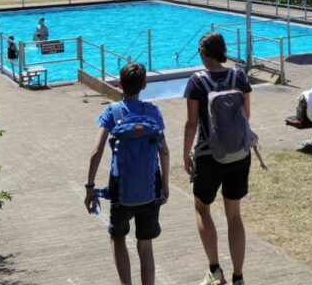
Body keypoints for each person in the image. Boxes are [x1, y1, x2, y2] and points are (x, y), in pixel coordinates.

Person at [85, 62, 169, 285]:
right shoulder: (153, 111)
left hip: (122, 194)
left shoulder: (112, 112)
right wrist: (165, 186)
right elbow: (165, 152)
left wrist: (90, 187)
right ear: (144, 85)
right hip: (150, 191)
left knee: (118, 238)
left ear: (120, 84)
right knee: (145, 245)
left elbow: (96, 152)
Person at [183, 33, 253, 285]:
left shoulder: (196, 82)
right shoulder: (239, 76)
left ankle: (214, 270)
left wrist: (185, 154)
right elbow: (246, 114)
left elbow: (191, 123)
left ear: (203, 53)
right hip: (239, 154)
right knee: (234, 215)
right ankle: (239, 276)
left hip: (209, 155)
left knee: (202, 208)